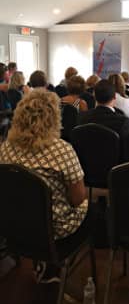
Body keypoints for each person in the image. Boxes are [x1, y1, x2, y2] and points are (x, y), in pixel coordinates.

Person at [0, 90, 88, 281]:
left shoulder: (6, 147)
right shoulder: (62, 150)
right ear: (54, 117)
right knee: (92, 211)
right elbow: (78, 198)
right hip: (53, 232)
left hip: (13, 226)